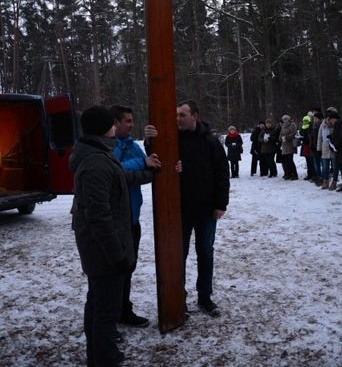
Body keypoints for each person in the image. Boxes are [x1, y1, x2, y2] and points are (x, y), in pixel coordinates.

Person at [69, 106, 156, 367]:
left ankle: (98, 356)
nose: (118, 127)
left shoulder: (99, 154)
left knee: (97, 302)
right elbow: (99, 216)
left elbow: (121, 177)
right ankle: (105, 360)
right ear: (107, 127)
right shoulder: (96, 161)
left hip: (105, 246)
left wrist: (152, 174)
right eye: (114, 123)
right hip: (103, 250)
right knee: (104, 311)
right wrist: (116, 255)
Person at [145, 100, 229, 317]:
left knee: (205, 253)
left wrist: (221, 204)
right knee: (177, 255)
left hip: (206, 209)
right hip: (179, 210)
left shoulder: (210, 141)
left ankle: (205, 297)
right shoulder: (171, 138)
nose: (178, 119)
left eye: (182, 115)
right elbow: (154, 154)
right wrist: (149, 138)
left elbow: (222, 172)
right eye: (176, 115)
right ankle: (177, 298)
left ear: (195, 116)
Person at [109, 104, 161, 328]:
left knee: (128, 267)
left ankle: (123, 311)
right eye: (128, 121)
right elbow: (113, 172)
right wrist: (140, 165)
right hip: (113, 222)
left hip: (132, 219)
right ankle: (108, 320)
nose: (132, 125)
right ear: (115, 124)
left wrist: (146, 158)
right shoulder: (107, 147)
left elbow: (150, 170)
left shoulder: (132, 146)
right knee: (112, 273)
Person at [317, 108, 339, 190]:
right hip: (325, 148)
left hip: (333, 148)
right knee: (325, 166)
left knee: (334, 166)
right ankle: (325, 181)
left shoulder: (336, 124)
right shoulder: (323, 124)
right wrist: (319, 148)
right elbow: (319, 137)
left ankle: (334, 182)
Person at [328, 111, 342, 193]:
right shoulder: (337, 126)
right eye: (331, 119)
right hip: (339, 151)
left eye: (333, 119)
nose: (332, 121)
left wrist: (334, 145)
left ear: (336, 118)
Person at [279, 114, 298, 180]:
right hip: (284, 145)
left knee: (290, 160)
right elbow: (281, 134)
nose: (285, 121)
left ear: (288, 119)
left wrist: (287, 137)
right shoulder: (283, 126)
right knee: (286, 160)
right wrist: (281, 138)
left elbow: (294, 133)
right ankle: (288, 173)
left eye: (286, 119)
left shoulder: (292, 125)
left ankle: (294, 174)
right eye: (284, 120)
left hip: (290, 144)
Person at [299, 115, 315, 180]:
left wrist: (303, 139)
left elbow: (309, 138)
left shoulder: (310, 128)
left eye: (306, 121)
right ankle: (309, 174)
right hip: (304, 145)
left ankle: (312, 174)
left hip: (309, 145)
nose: (305, 122)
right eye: (304, 121)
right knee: (307, 161)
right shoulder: (302, 128)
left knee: (310, 161)